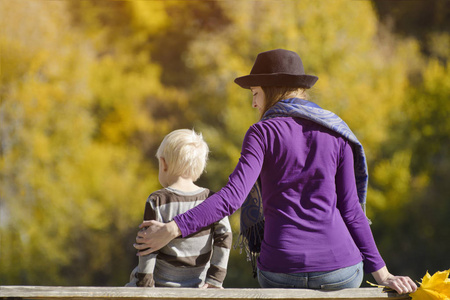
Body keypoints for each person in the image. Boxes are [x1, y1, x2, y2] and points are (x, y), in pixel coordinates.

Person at [133, 49, 417, 294]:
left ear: (274, 90)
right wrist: (384, 274)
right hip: (340, 271)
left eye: (256, 94)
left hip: (281, 271)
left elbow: (232, 198)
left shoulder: (262, 132)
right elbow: (351, 210)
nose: (254, 104)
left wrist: (172, 229)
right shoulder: (336, 132)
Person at [127, 129, 232, 288]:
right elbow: (225, 237)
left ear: (163, 164)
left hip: (160, 285)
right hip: (198, 286)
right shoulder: (212, 201)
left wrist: (145, 286)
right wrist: (215, 280)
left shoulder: (157, 200)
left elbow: (147, 246)